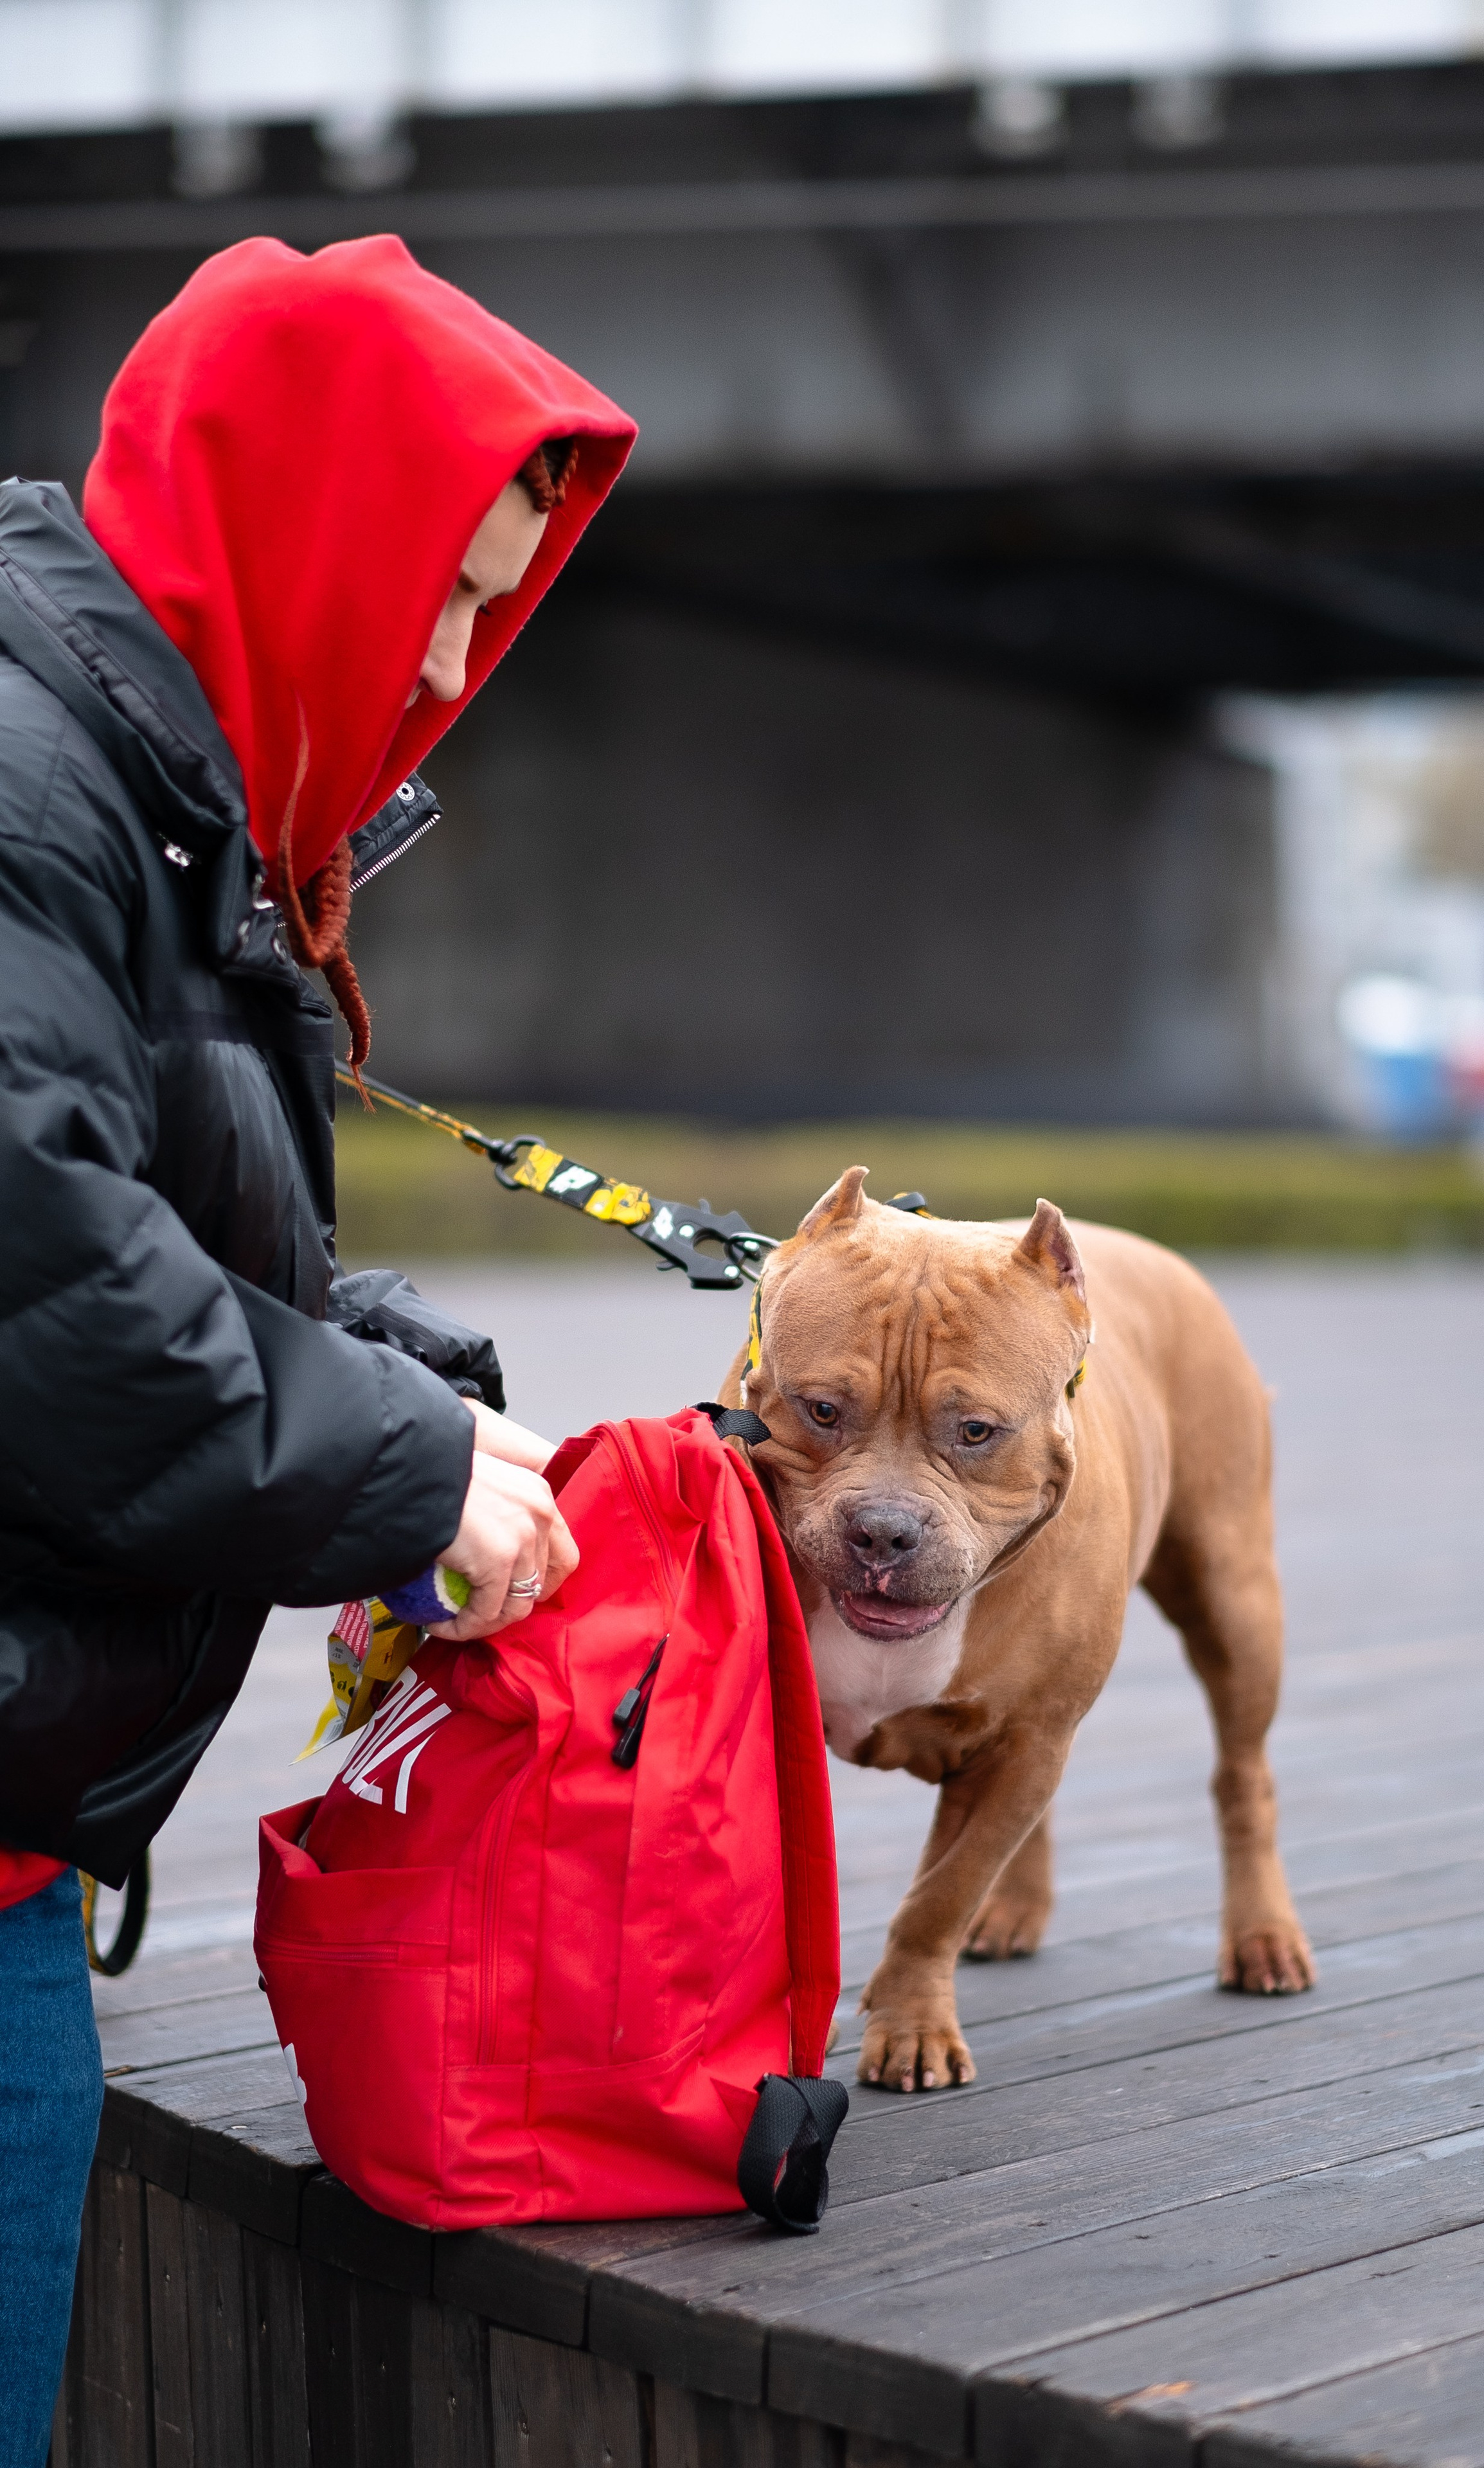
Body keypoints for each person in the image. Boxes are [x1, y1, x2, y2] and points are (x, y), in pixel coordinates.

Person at [0, 233, 637, 2467]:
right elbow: (33, 1275)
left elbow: (119, 1213)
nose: (466, 655)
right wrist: (384, 1465)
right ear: (310, 521)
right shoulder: (35, 790)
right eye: (446, 586)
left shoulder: (135, 788)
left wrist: (414, 1385)